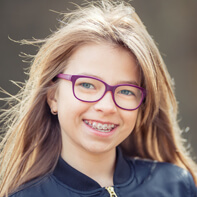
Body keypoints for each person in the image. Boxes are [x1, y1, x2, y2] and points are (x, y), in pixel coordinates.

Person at [0, 0, 196, 196]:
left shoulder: (176, 186)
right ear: (53, 97)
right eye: (87, 85)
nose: (107, 106)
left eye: (126, 91)